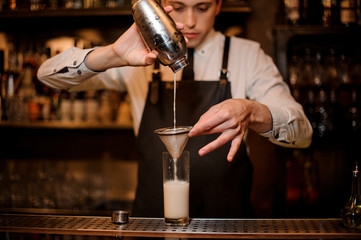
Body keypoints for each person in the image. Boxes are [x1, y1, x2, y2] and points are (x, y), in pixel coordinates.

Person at [37, 0, 312, 218]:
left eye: (202, 8)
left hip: (229, 225)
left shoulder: (248, 55)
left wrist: (253, 111)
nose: (190, 21)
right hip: (151, 224)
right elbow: (47, 75)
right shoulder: (139, 59)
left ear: (218, 5)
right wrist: (112, 55)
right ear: (163, 6)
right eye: (179, 7)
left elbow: (302, 132)